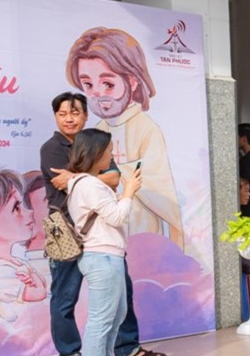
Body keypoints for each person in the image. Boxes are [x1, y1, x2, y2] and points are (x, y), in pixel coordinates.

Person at [40, 92, 165, 356]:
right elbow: (64, 183)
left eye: (75, 113)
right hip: (67, 232)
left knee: (123, 292)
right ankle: (69, 354)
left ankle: (126, 348)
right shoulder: (51, 147)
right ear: (56, 117)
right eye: (62, 113)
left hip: (102, 233)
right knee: (64, 296)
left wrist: (78, 177)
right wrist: (91, 178)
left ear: (85, 115)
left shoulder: (96, 142)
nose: (69, 118)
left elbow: (114, 176)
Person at [66, 28, 185, 250]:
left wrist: (116, 174)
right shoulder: (98, 130)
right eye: (88, 85)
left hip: (141, 231)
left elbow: (157, 184)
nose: (98, 93)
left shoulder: (146, 129)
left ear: (131, 81)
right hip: (104, 235)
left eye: (108, 84)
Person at [65, 129, 143, 356]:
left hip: (109, 256)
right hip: (101, 257)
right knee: (102, 317)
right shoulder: (89, 184)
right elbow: (117, 217)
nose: (112, 155)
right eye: (108, 150)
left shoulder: (88, 183)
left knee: (115, 314)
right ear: (95, 153)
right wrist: (129, 192)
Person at [0, 171, 48, 323]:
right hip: (19, 338)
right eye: (16, 208)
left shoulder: (16, 262)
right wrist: (34, 279)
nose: (29, 212)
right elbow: (39, 292)